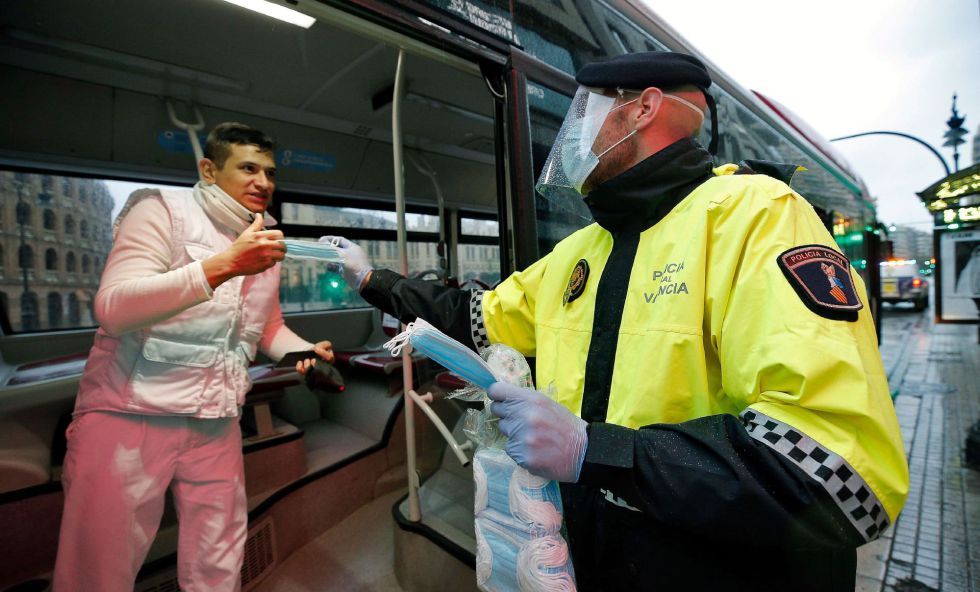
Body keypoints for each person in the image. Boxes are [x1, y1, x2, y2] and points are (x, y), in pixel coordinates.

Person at [324, 52, 908, 591]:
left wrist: (592, 450)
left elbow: (840, 473)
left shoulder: (755, 217)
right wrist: (374, 282)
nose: (573, 135)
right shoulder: (583, 249)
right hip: (592, 558)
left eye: (586, 113)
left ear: (643, 109)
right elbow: (481, 319)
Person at [53, 122, 333, 592]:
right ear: (208, 169)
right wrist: (224, 265)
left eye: (269, 172)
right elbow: (114, 307)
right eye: (248, 168)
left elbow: (266, 326)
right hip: (129, 413)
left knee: (220, 555)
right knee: (97, 566)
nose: (263, 182)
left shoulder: (265, 241)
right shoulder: (161, 211)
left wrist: (301, 350)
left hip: (214, 419)